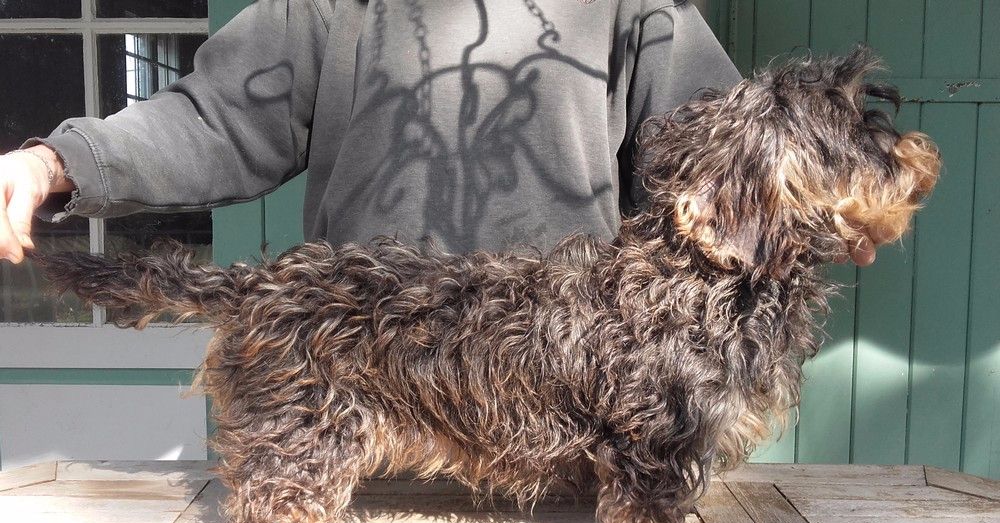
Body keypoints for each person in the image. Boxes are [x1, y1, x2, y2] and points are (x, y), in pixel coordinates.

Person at [0, 0, 879, 266]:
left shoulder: (637, 5)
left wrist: (818, 204)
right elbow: (213, 119)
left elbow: (728, 152)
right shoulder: (328, 6)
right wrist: (58, 161)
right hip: (364, 391)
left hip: (565, 399)